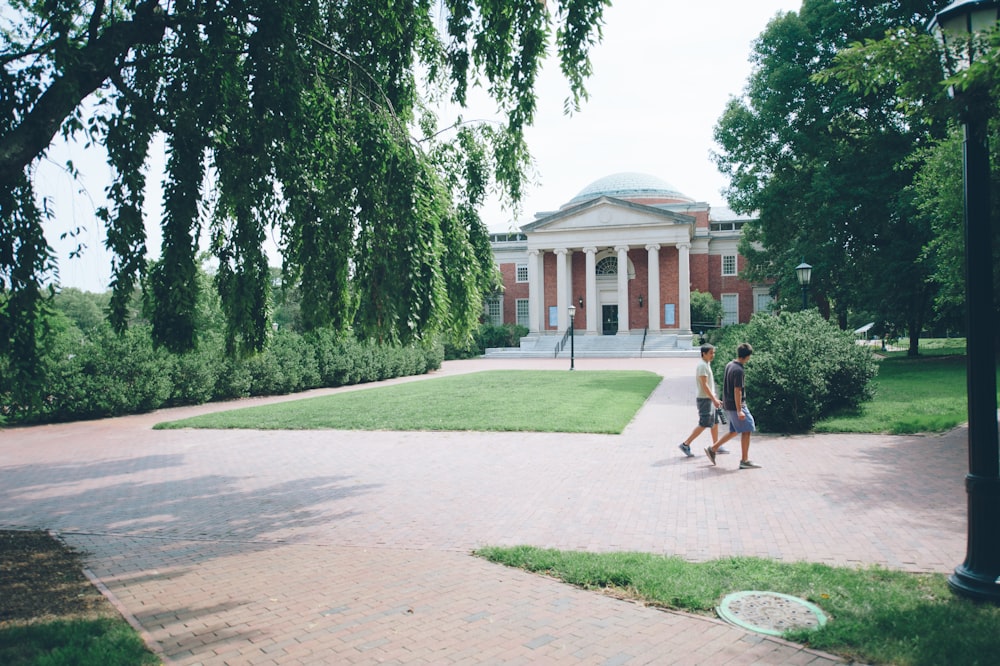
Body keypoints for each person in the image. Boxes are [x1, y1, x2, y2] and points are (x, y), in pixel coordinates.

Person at [705, 342, 761, 469]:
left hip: (729, 404)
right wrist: (739, 410)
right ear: (747, 356)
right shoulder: (739, 370)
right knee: (747, 428)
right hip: (737, 406)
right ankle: (744, 460)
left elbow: (726, 386)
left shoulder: (730, 365)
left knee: (734, 430)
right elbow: (737, 390)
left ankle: (712, 449)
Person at [678, 344, 728, 457]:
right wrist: (714, 399)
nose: (713, 355)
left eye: (713, 353)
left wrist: (714, 398)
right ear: (703, 354)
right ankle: (685, 444)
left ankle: (716, 445)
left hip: (709, 399)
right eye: (711, 353)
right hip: (705, 400)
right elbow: (704, 385)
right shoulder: (702, 366)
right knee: (704, 423)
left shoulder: (706, 364)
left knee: (715, 422)